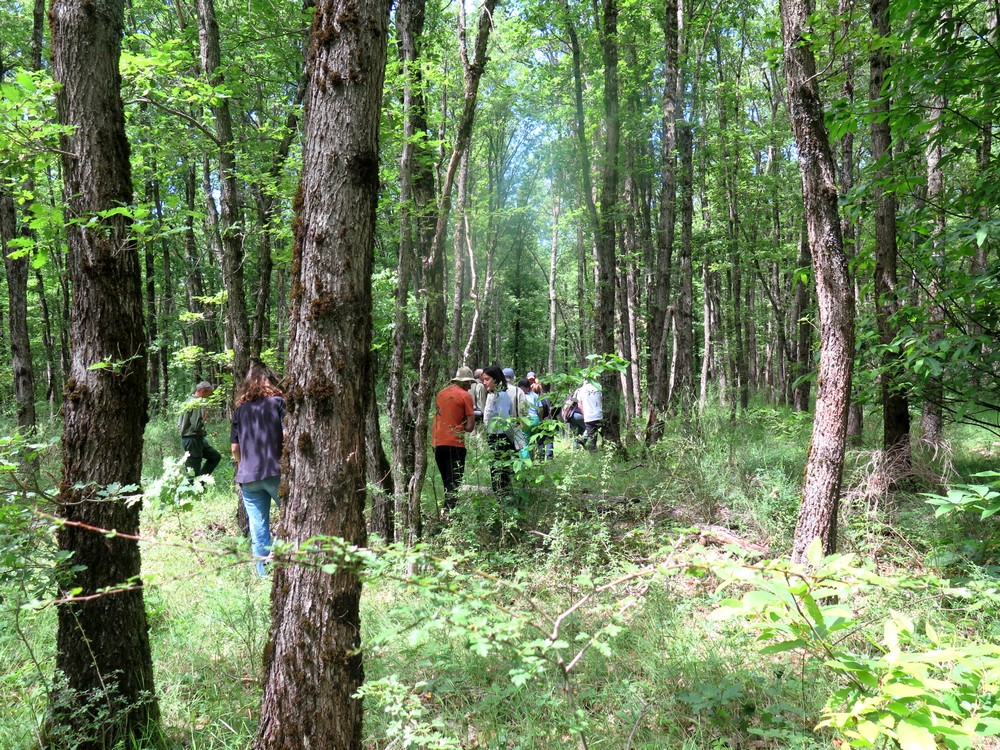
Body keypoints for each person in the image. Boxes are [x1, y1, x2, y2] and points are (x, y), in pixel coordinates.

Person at [230, 362, 285, 577]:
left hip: (248, 477)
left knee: (258, 528)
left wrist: (244, 464)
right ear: (271, 381)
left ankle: (263, 575)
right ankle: (278, 556)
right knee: (293, 516)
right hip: (275, 471)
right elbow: (287, 434)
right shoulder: (278, 403)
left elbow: (235, 448)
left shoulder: (241, 410)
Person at [431, 366, 476, 512]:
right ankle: (450, 514)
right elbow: (470, 427)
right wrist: (462, 422)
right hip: (455, 444)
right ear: (464, 382)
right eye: (469, 383)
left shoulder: (441, 393)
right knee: (454, 482)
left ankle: (446, 511)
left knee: (446, 480)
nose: (470, 386)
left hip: (437, 442)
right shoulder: (465, 396)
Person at [482, 365, 515, 495]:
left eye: (487, 379)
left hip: (501, 438)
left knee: (501, 473)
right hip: (494, 437)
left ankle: (505, 499)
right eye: (483, 380)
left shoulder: (501, 396)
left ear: (495, 379)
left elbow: (505, 420)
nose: (484, 383)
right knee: (496, 471)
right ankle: (501, 500)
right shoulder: (493, 395)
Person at [178, 380, 221, 477]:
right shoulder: (196, 403)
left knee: (215, 456)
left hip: (195, 439)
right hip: (193, 440)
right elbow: (196, 426)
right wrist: (204, 418)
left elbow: (179, 424)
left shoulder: (187, 401)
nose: (209, 397)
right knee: (192, 473)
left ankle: (201, 481)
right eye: (209, 394)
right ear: (203, 391)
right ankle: (193, 489)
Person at [574, 378, 604, 451]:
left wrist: (585, 414)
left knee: (592, 438)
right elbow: (602, 399)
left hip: (589, 417)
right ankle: (606, 449)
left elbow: (580, 405)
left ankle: (592, 454)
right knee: (604, 434)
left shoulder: (581, 390)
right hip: (599, 415)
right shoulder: (598, 387)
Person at [517, 377, 541, 459]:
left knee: (524, 443)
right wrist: (540, 419)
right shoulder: (535, 395)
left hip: (526, 420)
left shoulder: (520, 395)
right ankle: (531, 459)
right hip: (535, 419)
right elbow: (540, 408)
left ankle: (526, 463)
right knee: (531, 442)